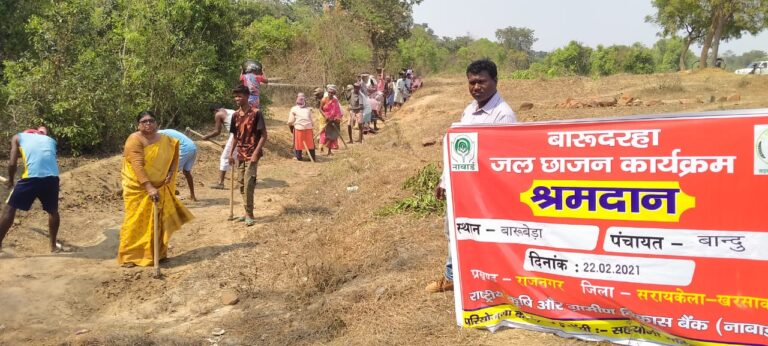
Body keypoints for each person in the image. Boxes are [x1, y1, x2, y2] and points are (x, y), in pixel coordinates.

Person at [425, 59, 517, 293]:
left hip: (485, 191)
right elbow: (458, 149)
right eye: (472, 82)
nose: (476, 87)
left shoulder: (503, 116)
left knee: (484, 235)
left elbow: (503, 160)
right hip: (462, 186)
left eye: (481, 81)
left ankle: (488, 278)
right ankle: (453, 277)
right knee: (454, 231)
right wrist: (445, 180)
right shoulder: (469, 110)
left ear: (495, 81)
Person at [118, 111, 193, 267]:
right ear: (138, 125)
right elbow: (137, 165)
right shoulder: (134, 140)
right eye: (144, 121)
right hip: (139, 188)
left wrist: (171, 172)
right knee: (135, 221)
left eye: (151, 120)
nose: (148, 124)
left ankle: (158, 254)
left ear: (156, 123)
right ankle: (131, 256)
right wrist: (149, 186)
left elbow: (174, 155)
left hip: (160, 186)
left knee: (158, 221)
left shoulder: (166, 140)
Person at [0, 126, 61, 254]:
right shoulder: (50, 140)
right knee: (53, 211)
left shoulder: (18, 137)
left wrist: (10, 180)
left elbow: (12, 164)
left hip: (31, 178)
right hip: (52, 178)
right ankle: (53, 246)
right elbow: (44, 158)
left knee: (9, 209)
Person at [229, 85, 268, 226]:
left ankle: (250, 214)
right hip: (240, 153)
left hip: (252, 153)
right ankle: (246, 212)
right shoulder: (235, 115)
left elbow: (264, 135)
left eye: (240, 96)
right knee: (241, 184)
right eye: (235, 96)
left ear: (247, 96)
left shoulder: (256, 113)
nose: (237, 99)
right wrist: (231, 153)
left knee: (248, 184)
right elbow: (235, 137)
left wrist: (256, 153)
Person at [157, 129, 198, 201]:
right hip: (193, 147)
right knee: (186, 172)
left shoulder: (159, 135)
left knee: (170, 172)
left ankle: (168, 194)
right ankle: (192, 196)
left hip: (184, 148)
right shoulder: (166, 131)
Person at [203, 105, 236, 189]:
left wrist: (207, 136)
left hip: (235, 136)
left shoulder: (218, 114)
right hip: (243, 134)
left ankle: (221, 183)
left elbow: (217, 131)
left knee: (224, 158)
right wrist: (228, 144)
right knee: (239, 157)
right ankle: (244, 180)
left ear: (215, 110)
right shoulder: (231, 111)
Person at [287, 93, 316, 161]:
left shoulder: (294, 109)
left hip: (299, 129)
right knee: (310, 143)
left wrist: (291, 128)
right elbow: (312, 122)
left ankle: (298, 157)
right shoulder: (308, 109)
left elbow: (290, 121)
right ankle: (312, 157)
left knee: (298, 143)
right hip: (309, 129)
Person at [319, 85, 343, 154]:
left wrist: (337, 118)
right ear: (327, 92)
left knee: (332, 134)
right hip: (325, 119)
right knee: (323, 133)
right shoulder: (324, 99)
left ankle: (329, 151)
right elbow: (320, 109)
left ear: (334, 93)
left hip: (333, 120)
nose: (330, 94)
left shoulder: (335, 101)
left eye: (332, 93)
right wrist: (325, 116)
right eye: (329, 92)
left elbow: (337, 111)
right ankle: (321, 147)